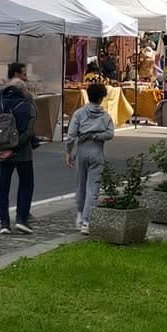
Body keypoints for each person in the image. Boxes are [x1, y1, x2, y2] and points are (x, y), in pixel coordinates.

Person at [0, 70, 37, 235]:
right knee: (26, 184)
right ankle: (22, 219)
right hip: (23, 153)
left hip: (2, 153)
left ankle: (4, 223)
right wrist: (15, 148)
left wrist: (1, 148)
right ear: (23, 91)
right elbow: (30, 132)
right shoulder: (27, 106)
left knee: (2, 186)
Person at [64, 79, 115, 232]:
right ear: (101, 98)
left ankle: (79, 214)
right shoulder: (105, 117)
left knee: (81, 184)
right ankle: (87, 221)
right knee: (93, 187)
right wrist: (96, 136)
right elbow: (110, 134)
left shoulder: (79, 114)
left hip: (81, 150)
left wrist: (68, 152)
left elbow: (71, 135)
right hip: (96, 151)